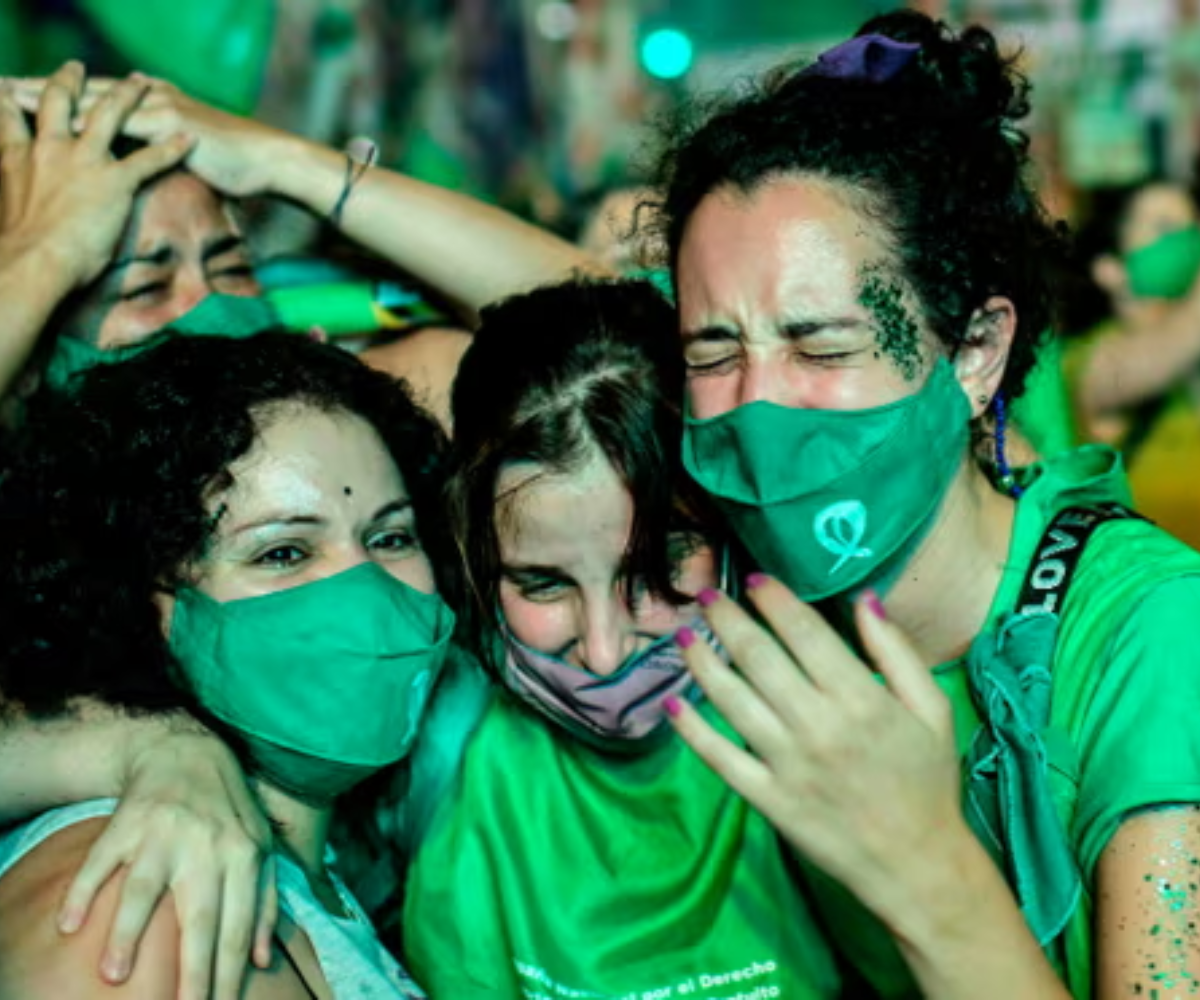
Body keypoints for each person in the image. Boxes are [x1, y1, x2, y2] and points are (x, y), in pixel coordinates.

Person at [643, 11, 1200, 999]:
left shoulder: (1154, 634)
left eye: (823, 348)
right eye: (712, 353)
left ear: (974, 353)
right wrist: (309, 175)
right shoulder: (761, 609)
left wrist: (923, 862)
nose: (759, 410)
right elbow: (532, 353)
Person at [399, 278, 839, 998]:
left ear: (732, 525)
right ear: (472, 562)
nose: (604, 653)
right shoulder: (430, 748)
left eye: (654, 569)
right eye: (541, 584)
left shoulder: (834, 716)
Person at [0, 332, 457, 998]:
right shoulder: (140, 897)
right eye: (283, 552)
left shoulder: (312, 864)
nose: (367, 590)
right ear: (146, 607)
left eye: (390, 537)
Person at [1064, 179, 1200, 548]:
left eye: (1192, 228)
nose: (1187, 243)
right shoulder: (1092, 358)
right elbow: (1155, 360)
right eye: (1165, 230)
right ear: (1110, 268)